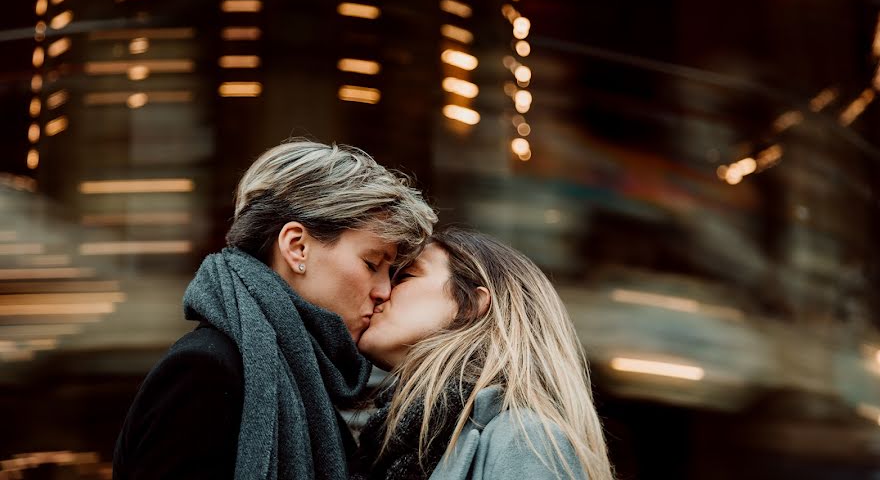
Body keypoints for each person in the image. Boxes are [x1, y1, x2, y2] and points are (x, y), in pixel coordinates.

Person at [113, 139, 437, 480]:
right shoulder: (204, 371)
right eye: (372, 263)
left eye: (391, 273)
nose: (384, 291)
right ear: (297, 247)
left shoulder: (306, 375)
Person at [351, 228, 615, 480]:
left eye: (406, 276)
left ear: (470, 304)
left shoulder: (527, 438)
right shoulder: (389, 439)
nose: (382, 291)